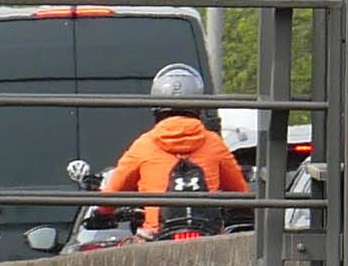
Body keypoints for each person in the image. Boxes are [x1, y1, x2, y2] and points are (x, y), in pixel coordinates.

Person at [92, 62, 245, 239]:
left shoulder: (144, 145)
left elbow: (112, 193)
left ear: (156, 106)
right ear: (198, 106)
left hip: (158, 236)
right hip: (206, 237)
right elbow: (240, 193)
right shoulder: (214, 143)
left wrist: (101, 213)